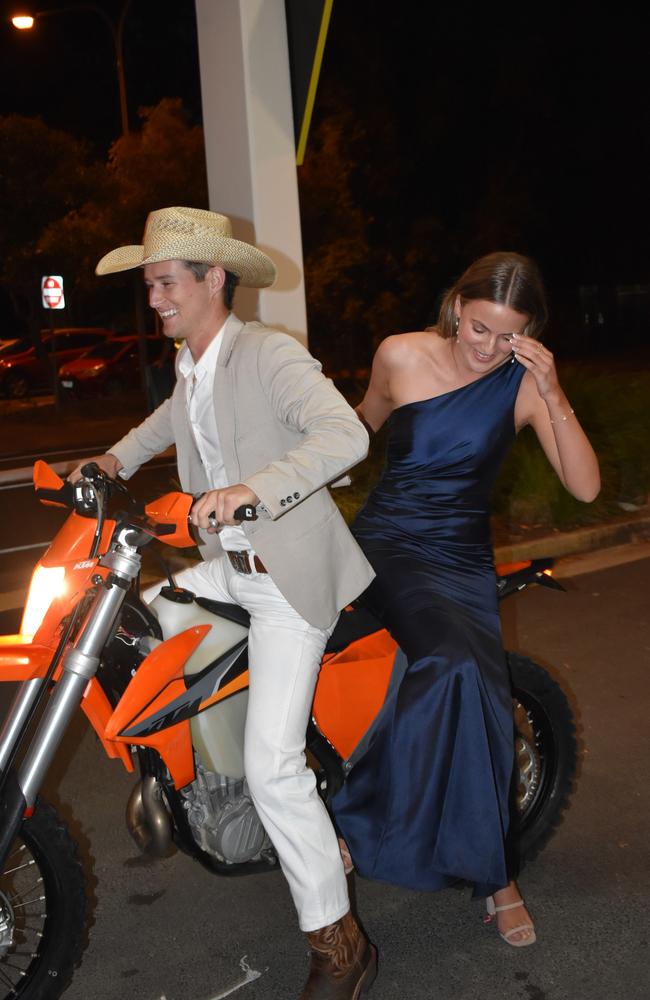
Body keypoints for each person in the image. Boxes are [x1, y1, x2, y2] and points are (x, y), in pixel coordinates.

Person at [70, 206, 378, 999]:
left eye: (166, 282)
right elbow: (170, 422)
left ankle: (340, 943)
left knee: (274, 769)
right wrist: (110, 457)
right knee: (133, 617)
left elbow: (344, 434)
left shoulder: (268, 353)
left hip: (285, 577)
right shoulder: (192, 365)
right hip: (225, 567)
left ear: (213, 279)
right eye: (150, 285)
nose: (155, 298)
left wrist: (252, 490)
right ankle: (201, 784)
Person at [332, 251, 600, 947]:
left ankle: (489, 869)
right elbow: (358, 428)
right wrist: (291, 481)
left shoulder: (521, 386)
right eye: (479, 328)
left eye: (508, 335)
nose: (488, 348)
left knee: (477, 682)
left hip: (458, 555)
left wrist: (555, 391)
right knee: (455, 664)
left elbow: (586, 489)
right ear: (456, 308)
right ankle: (477, 868)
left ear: (530, 333)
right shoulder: (400, 354)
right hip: (389, 542)